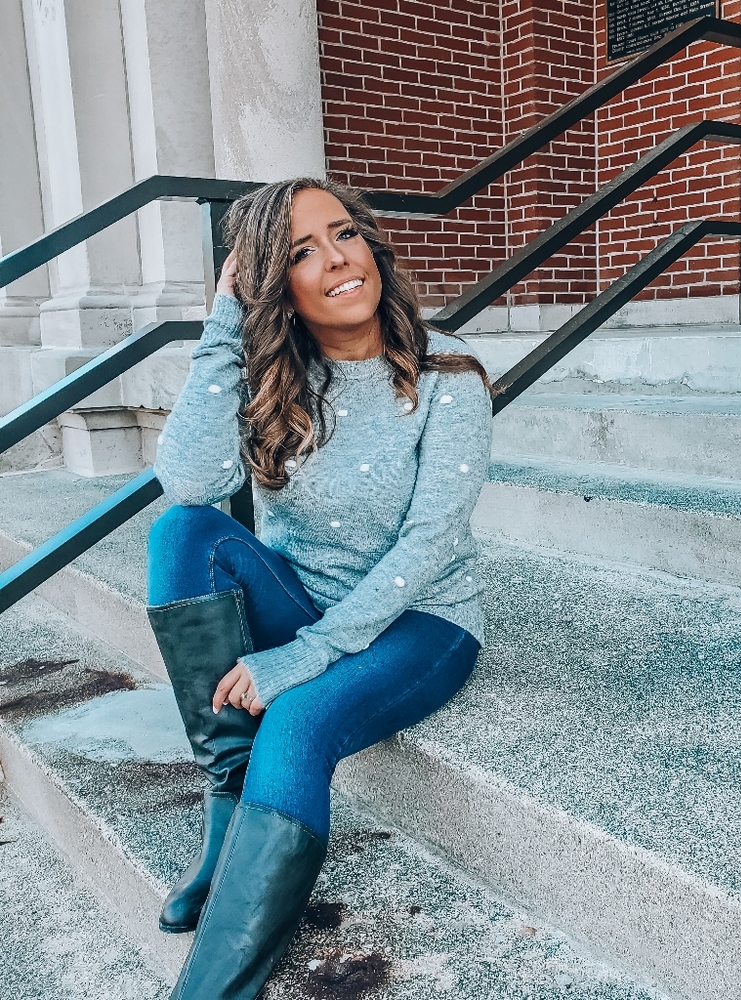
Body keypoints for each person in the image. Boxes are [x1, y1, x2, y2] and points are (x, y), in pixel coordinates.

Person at [146, 178, 493, 999]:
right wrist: (223, 326)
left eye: (345, 234)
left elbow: (429, 543)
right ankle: (229, 831)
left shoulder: (447, 373)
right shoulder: (278, 377)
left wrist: (311, 654)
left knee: (298, 717)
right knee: (182, 534)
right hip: (304, 601)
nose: (338, 259)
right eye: (303, 251)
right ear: (274, 285)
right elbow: (190, 483)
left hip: (421, 620)